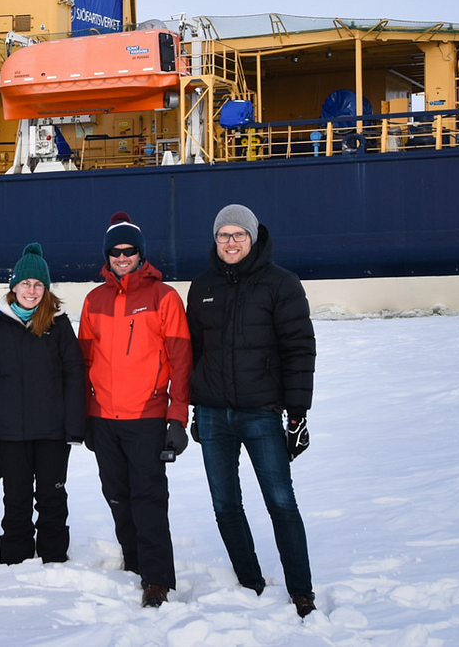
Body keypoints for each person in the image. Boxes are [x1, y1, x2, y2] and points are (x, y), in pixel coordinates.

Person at [187, 204, 317, 618]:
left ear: (253, 237)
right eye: (223, 235)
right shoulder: (202, 286)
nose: (230, 242)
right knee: (225, 504)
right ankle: (250, 582)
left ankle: (301, 590)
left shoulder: (281, 284)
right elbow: (195, 351)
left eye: (238, 235)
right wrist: (195, 406)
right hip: (212, 413)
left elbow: (299, 350)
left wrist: (297, 414)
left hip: (261, 413)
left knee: (281, 502)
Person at [78, 212, 192, 608]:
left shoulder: (164, 298)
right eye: (116, 252)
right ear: (107, 256)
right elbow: (83, 362)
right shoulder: (94, 300)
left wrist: (178, 417)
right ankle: (134, 561)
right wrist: (84, 414)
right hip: (104, 418)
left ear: (141, 254)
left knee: (148, 498)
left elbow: (181, 362)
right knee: (116, 495)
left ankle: (157, 578)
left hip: (146, 416)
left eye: (129, 252)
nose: (122, 257)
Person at [0, 243, 86, 564]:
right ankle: (14, 557)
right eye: (26, 283)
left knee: (52, 497)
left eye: (39, 285)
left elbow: (74, 375)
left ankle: (53, 556)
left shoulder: (59, 325)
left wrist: (75, 427)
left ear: (46, 289)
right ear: (14, 287)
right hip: (11, 433)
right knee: (16, 498)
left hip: (52, 431)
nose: (32, 290)